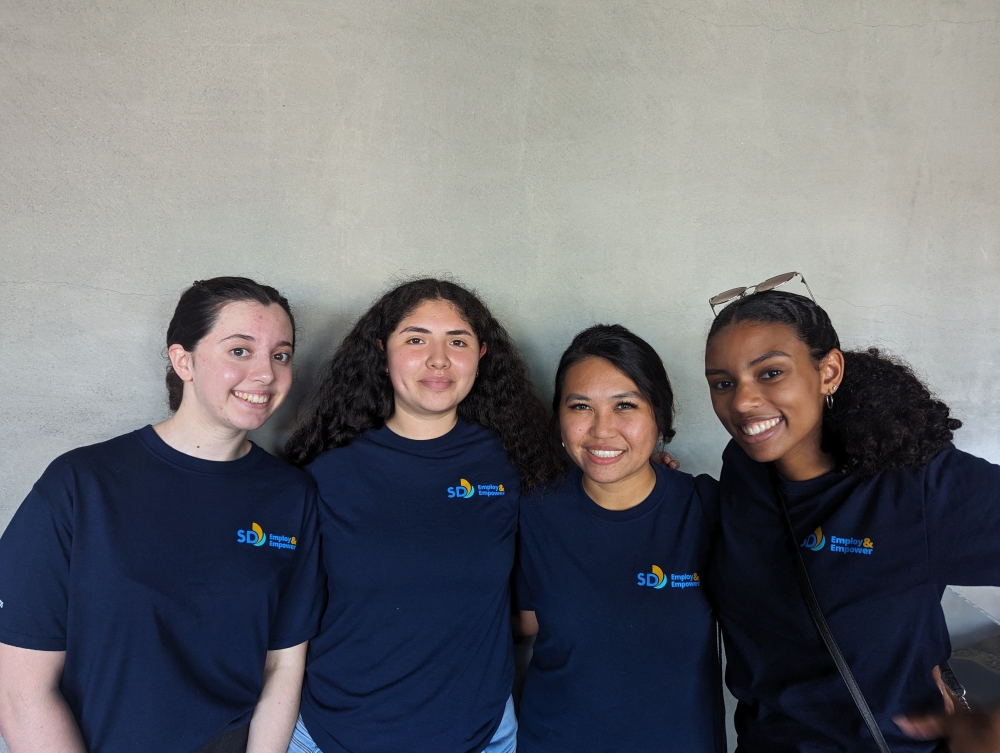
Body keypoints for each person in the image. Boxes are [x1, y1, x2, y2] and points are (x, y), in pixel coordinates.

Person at [0, 277, 324, 753]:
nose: (266, 374)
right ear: (183, 360)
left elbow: (283, 665)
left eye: (281, 354)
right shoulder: (81, 483)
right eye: (240, 351)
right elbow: (21, 691)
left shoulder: (291, 495)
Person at [702, 281, 1000, 753]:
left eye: (771, 373)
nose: (741, 402)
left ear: (829, 371)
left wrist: (993, 723)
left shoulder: (915, 487)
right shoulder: (743, 471)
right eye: (722, 383)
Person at [283, 278, 562, 753]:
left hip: (480, 736)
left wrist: (646, 466)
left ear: (482, 354)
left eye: (458, 341)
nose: (439, 359)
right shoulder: (326, 472)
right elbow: (288, 625)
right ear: (382, 352)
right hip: (332, 736)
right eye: (415, 339)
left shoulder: (517, 462)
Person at [513, 324, 726, 753]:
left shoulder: (705, 507)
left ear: (660, 417)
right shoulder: (533, 511)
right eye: (580, 407)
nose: (601, 430)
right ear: (559, 418)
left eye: (625, 405)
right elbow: (524, 624)